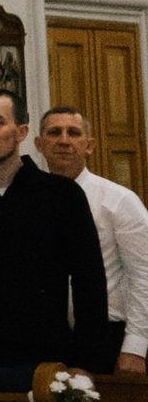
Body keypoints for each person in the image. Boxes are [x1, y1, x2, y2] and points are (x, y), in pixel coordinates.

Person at [0, 88, 108, 393]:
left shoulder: (61, 195)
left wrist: (85, 362)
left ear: (22, 132)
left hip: (42, 359)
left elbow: (88, 281)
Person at [36, 105, 148, 378]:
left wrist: (135, 347)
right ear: (39, 144)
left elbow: (144, 276)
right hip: (45, 337)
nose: (63, 140)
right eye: (54, 133)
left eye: (73, 133)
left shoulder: (119, 201)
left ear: (90, 145)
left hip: (108, 335)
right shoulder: (30, 201)